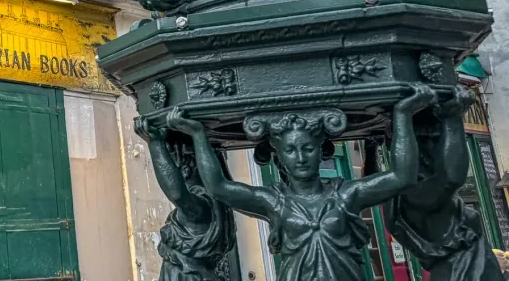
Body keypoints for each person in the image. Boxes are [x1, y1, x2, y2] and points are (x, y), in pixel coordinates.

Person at [167, 87, 435, 281]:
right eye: (291, 151)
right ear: (279, 156)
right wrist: (199, 135)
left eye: (308, 148)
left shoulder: (345, 195)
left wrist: (402, 115)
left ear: (320, 149)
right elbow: (218, 187)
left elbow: (402, 175)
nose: (301, 158)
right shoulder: (275, 203)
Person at [383, 86, 502, 280]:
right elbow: (451, 178)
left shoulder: (401, 191)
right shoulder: (412, 191)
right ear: (420, 148)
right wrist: (452, 120)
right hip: (462, 273)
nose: (442, 147)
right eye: (438, 139)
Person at [136, 117, 236, 281]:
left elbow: (177, 194)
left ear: (184, 170)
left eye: (172, 162)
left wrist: (155, 144)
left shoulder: (203, 208)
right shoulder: (218, 204)